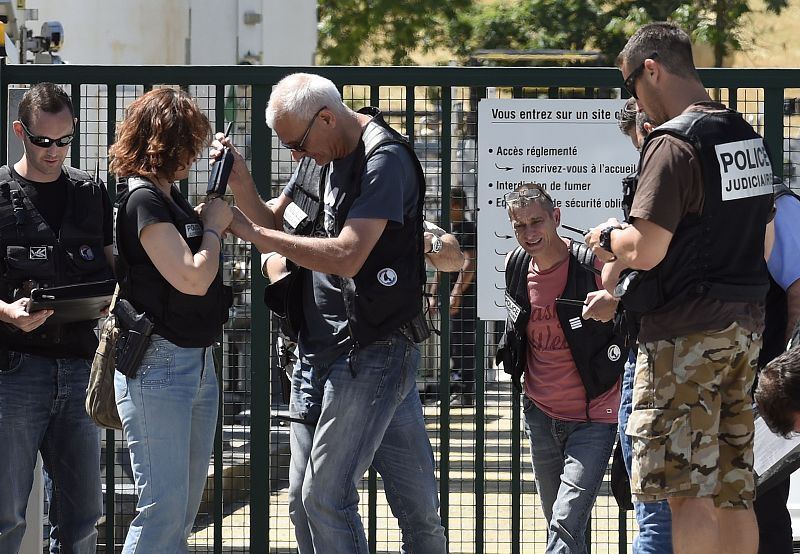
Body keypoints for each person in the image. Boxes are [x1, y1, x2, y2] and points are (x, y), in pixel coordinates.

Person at [216, 72, 447, 553]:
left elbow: (346, 255)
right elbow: (276, 221)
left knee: (336, 497)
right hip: (315, 354)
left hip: (371, 354)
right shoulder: (317, 157)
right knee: (304, 503)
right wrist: (241, 181)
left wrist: (253, 236)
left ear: (326, 117)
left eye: (296, 144)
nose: (295, 156)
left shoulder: (384, 159)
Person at [586, 22, 774, 554]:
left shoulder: (673, 143)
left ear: (652, 69)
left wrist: (608, 237)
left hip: (682, 339)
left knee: (684, 493)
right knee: (734, 491)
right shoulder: (745, 137)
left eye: (630, 85)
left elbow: (645, 249)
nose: (635, 100)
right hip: (744, 333)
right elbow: (764, 244)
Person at [108, 88, 233, 552]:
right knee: (163, 508)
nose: (193, 157)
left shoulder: (170, 197)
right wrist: (215, 228)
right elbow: (192, 277)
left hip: (196, 361)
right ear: (163, 142)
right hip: (160, 363)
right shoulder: (144, 199)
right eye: (187, 146)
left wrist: (205, 216)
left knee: (180, 509)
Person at [0, 83, 114, 554]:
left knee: (83, 515)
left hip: (80, 367)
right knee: (6, 514)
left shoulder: (90, 192)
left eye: (64, 140)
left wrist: (111, 296)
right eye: (43, 141)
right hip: (16, 370)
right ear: (20, 132)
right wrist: (6, 312)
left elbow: (113, 264)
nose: (54, 151)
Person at [497, 183, 625, 553]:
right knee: (560, 522)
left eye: (536, 221)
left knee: (565, 521)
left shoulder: (593, 265)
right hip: (539, 413)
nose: (529, 233)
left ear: (556, 218)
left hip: (594, 415)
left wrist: (615, 300)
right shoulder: (515, 266)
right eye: (519, 226)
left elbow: (636, 305)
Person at [614, 101, 674, 554]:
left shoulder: (664, 176)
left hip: (656, 351)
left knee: (653, 507)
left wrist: (611, 245)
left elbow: (642, 256)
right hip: (710, 346)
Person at [752, 181, 800, 554]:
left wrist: (783, 368)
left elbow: (798, 290)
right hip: (747, 382)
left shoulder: (778, 207)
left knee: (765, 499)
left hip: (774, 385)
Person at [430, 186, 477, 407]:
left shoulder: (467, 228)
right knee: (452, 343)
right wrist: (432, 293)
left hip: (464, 301)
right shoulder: (450, 231)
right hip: (450, 299)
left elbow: (469, 262)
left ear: (457, 206)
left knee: (462, 345)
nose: (444, 209)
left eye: (448, 204)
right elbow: (441, 264)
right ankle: (458, 389)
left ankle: (465, 391)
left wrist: (456, 293)